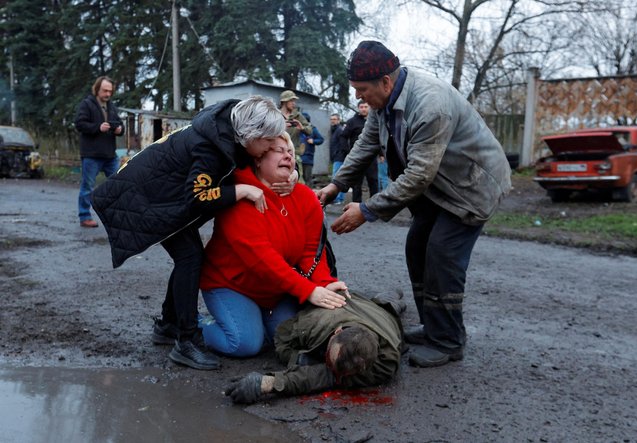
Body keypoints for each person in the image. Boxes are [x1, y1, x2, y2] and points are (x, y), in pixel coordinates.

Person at [317, 41, 512, 368]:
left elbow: (419, 173)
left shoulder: (429, 103)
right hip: (441, 189)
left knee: (441, 253)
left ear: (385, 82)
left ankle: (448, 341)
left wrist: (366, 210)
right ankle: (434, 326)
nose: (358, 97)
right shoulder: (383, 104)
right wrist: (336, 185)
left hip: (469, 189)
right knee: (417, 246)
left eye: (361, 89)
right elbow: (366, 144)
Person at [92, 96, 296, 371]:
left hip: (156, 194)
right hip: (146, 201)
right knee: (190, 258)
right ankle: (185, 342)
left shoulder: (228, 128)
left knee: (189, 257)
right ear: (250, 134)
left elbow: (247, 167)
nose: (271, 146)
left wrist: (288, 175)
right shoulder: (211, 147)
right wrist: (240, 191)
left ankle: (168, 324)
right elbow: (197, 197)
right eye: (268, 141)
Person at [198, 132, 349, 358]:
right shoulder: (240, 198)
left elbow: (310, 253)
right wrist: (308, 291)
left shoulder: (305, 197)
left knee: (289, 339)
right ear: (258, 157)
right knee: (244, 343)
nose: (288, 156)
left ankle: (252, 319)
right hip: (230, 284)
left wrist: (325, 283)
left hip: (275, 290)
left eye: (290, 152)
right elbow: (263, 260)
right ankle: (198, 324)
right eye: (278, 150)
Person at [224, 290, 404, 404]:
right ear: (336, 333)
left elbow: (324, 377)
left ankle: (390, 298)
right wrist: (296, 358)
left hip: (382, 317)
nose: (330, 368)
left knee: (389, 307)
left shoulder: (385, 364)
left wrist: (269, 383)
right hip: (350, 300)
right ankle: (388, 296)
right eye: (329, 360)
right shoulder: (311, 325)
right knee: (382, 301)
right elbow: (281, 339)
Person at [74, 76, 124, 228]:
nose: (108, 94)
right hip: (91, 154)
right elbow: (79, 124)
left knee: (118, 185)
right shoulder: (87, 104)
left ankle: (118, 215)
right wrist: (97, 127)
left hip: (110, 155)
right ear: (97, 89)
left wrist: (120, 130)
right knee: (88, 187)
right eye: (105, 90)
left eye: (110, 91)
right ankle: (84, 216)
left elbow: (120, 125)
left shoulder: (112, 107)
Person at [341, 100, 378, 202]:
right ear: (358, 108)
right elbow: (343, 137)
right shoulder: (352, 122)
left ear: (369, 108)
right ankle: (356, 205)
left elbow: (379, 137)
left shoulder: (374, 120)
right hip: (357, 157)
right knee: (356, 184)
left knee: (373, 181)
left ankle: (374, 205)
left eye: (366, 107)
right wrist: (347, 151)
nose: (363, 109)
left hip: (371, 157)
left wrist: (382, 153)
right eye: (361, 107)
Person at [279, 90, 312, 179]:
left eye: (294, 101)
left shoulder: (298, 116)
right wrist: (281, 127)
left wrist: (302, 128)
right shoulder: (276, 115)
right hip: (278, 152)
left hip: (294, 153)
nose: (294, 103)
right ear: (284, 102)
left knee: (297, 179)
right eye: (291, 101)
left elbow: (310, 131)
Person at [299, 112, 325, 187]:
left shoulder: (313, 129)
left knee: (307, 178)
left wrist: (313, 141)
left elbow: (321, 139)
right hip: (297, 157)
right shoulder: (297, 129)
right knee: (298, 178)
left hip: (308, 158)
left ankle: (309, 196)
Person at [328, 113, 347, 204]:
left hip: (340, 157)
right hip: (336, 157)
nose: (332, 121)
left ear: (338, 120)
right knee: (337, 177)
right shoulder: (334, 130)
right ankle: (337, 198)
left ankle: (339, 199)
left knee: (338, 178)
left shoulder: (339, 130)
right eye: (331, 119)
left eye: (334, 119)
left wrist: (341, 154)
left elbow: (343, 144)